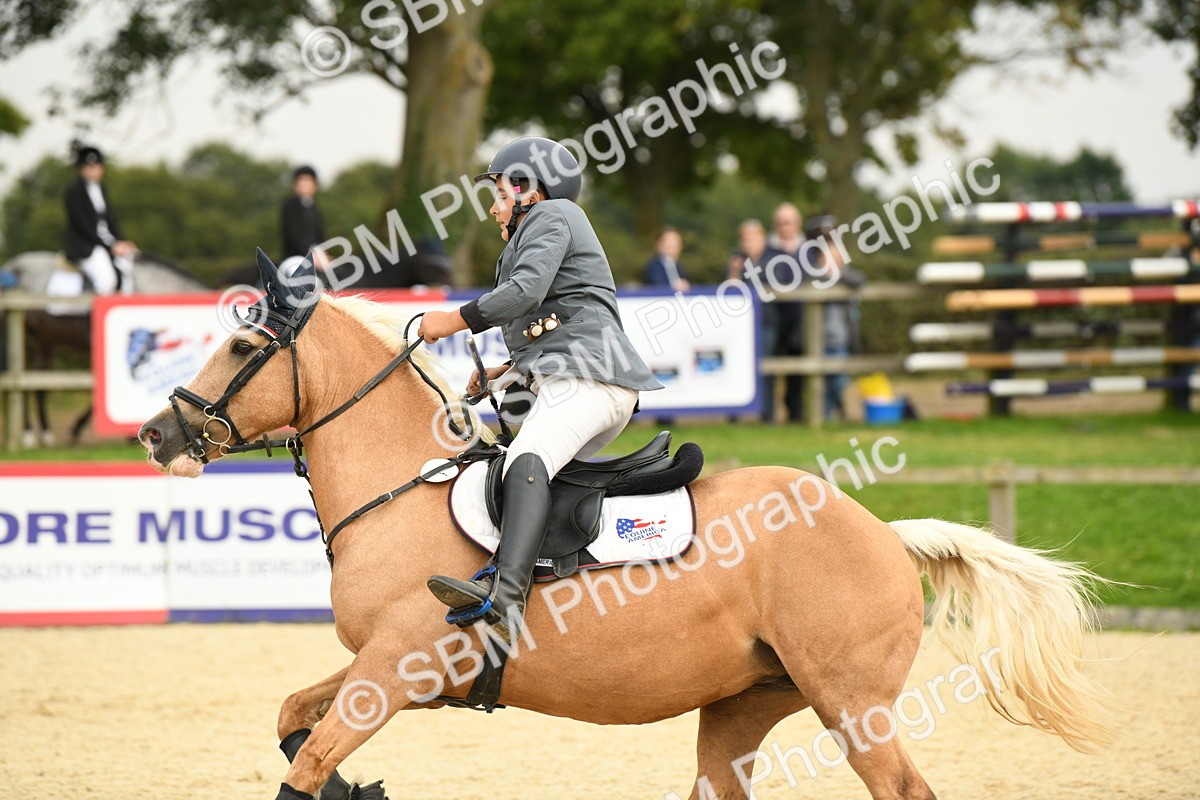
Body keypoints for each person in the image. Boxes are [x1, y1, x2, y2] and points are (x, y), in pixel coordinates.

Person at [416, 137, 663, 644]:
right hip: (572, 374)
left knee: (525, 458)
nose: (492, 206)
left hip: (592, 377)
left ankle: (506, 597)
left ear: (529, 188)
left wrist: (454, 319)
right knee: (505, 456)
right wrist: (504, 371)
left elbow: (525, 292)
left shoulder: (553, 214)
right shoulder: (543, 223)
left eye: (499, 191)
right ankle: (538, 570)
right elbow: (554, 317)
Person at [804, 213, 866, 420]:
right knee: (825, 382)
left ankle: (829, 415)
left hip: (840, 338)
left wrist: (837, 274)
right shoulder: (813, 273)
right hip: (819, 338)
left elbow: (859, 279)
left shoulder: (845, 277)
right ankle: (826, 416)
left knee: (838, 381)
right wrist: (828, 275)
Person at [728, 219, 791, 422]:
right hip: (741, 325)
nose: (750, 242)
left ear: (762, 237)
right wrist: (735, 272)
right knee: (738, 366)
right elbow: (729, 289)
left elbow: (776, 285)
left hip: (767, 321)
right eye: (746, 238)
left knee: (766, 368)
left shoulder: (775, 257)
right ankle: (735, 415)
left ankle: (768, 414)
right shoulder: (736, 260)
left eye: (754, 237)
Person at [63, 145, 139, 295]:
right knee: (106, 280)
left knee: (131, 271)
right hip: (87, 246)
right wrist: (110, 246)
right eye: (89, 166)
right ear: (81, 169)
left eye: (97, 166)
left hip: (106, 242)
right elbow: (82, 226)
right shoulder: (73, 191)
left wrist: (121, 241)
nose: (94, 170)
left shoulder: (102, 189)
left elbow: (111, 220)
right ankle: (96, 316)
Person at [768, 203, 807, 422]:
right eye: (782, 222)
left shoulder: (808, 249)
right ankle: (769, 415)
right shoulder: (768, 249)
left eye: (790, 222)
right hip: (773, 316)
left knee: (798, 370)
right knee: (770, 367)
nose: (786, 226)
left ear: (797, 223)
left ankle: (796, 413)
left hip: (801, 317)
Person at [280, 165, 330, 270]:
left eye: (309, 181)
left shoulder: (315, 208)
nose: (305, 185)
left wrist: (322, 252)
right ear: (295, 185)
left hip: (316, 257)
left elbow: (319, 235)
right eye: (302, 181)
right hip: (296, 259)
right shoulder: (290, 206)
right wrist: (311, 255)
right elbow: (293, 235)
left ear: (315, 185)